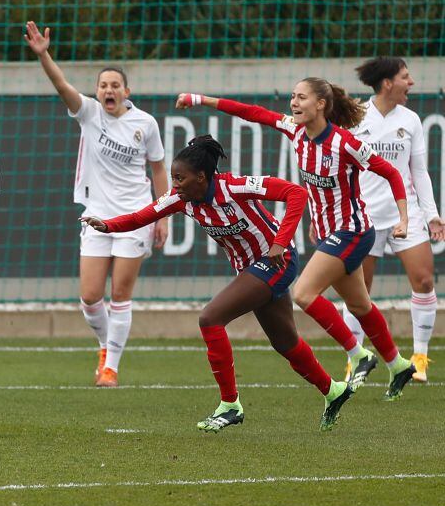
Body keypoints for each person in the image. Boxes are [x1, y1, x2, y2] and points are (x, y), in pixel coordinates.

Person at [84, 136, 353, 432]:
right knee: (286, 343)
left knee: (210, 318)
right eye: (173, 178)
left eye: (180, 178)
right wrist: (108, 225)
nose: (175, 185)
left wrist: (280, 242)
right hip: (252, 269)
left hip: (277, 261)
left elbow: (296, 193)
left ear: (201, 177)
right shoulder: (181, 199)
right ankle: (333, 390)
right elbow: (141, 216)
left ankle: (230, 405)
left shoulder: (235, 186)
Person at [177, 80, 418, 400]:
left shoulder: (345, 143)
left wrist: (403, 218)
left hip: (354, 231)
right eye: (292, 96)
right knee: (359, 304)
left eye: (301, 97)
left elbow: (390, 173)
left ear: (320, 104)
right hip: (328, 234)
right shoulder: (295, 130)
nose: (293, 102)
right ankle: (399, 364)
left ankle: (359, 355)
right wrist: (199, 98)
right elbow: (251, 112)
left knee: (305, 293)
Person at [24, 21, 168, 387]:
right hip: (96, 216)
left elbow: (158, 168)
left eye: (114, 85)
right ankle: (106, 345)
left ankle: (111, 367)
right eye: (103, 85)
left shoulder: (145, 124)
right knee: (90, 297)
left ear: (126, 91)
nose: (108, 90)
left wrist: (163, 214)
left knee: (120, 294)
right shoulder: (88, 113)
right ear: (97, 91)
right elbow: (61, 86)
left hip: (137, 216)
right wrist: (44, 55)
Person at [341, 57, 443, 382]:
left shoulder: (411, 120)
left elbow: (419, 172)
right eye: (405, 77)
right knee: (359, 291)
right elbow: (343, 169)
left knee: (425, 280)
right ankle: (355, 359)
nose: (410, 82)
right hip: (365, 217)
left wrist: (433, 215)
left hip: (406, 213)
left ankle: (420, 357)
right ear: (387, 83)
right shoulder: (356, 117)